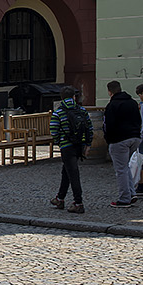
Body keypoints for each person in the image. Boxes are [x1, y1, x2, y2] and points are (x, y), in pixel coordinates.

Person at [49, 85, 93, 214]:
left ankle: (78, 203)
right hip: (79, 145)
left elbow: (53, 130)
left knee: (73, 173)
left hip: (66, 146)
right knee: (67, 171)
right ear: (74, 97)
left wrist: (59, 141)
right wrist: (87, 144)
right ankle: (60, 198)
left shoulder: (59, 112)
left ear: (61, 98)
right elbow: (89, 128)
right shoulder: (81, 110)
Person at [103, 80, 141, 207]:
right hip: (134, 138)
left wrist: (109, 140)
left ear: (110, 92)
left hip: (119, 139)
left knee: (120, 170)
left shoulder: (112, 105)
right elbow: (139, 120)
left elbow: (108, 125)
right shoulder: (132, 103)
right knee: (125, 167)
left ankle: (124, 198)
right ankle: (131, 192)